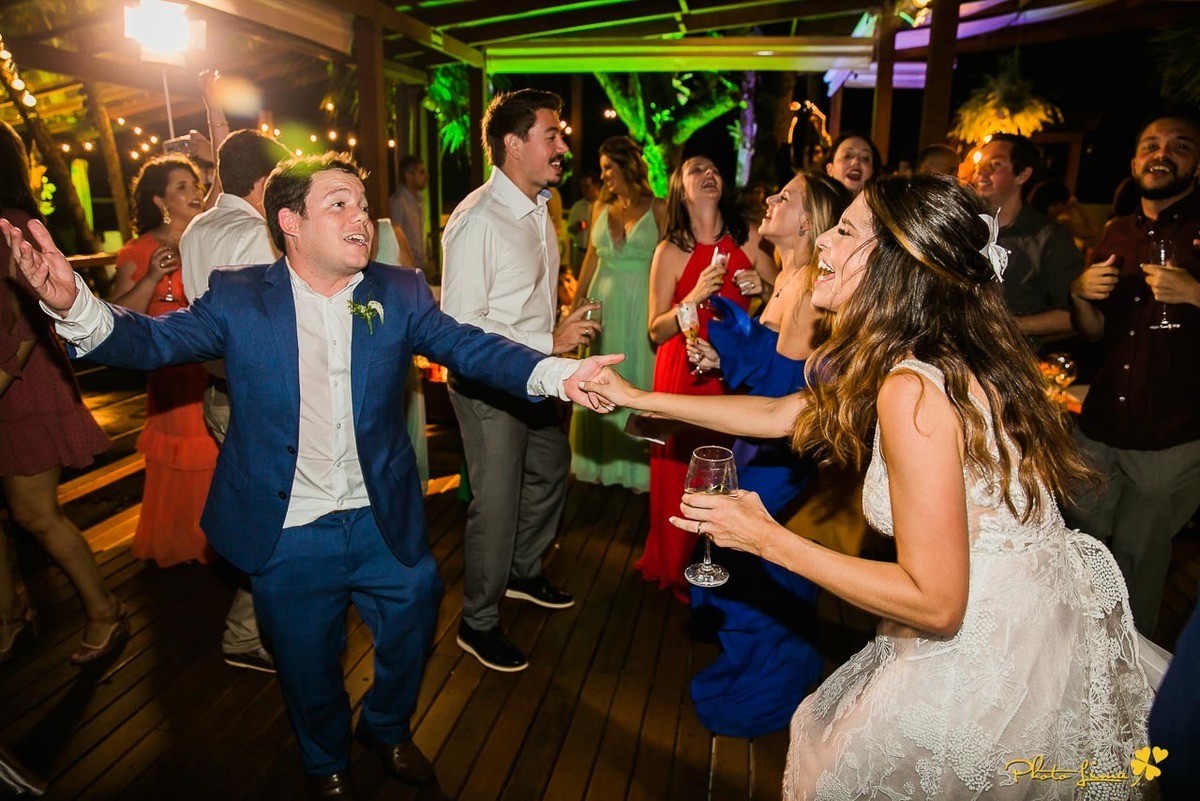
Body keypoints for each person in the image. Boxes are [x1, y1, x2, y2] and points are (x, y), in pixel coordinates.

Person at [4, 151, 619, 799]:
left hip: (382, 516)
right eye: (340, 204)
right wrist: (75, 303)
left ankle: (385, 726)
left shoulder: (398, 291)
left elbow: (470, 344)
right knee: (306, 662)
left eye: (362, 202)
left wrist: (558, 374)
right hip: (288, 525)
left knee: (414, 617)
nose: (362, 216)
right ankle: (325, 758)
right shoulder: (240, 296)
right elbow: (151, 343)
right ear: (289, 221)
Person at [581, 173, 1164, 798]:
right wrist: (639, 397)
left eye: (845, 230)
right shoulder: (927, 349)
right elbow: (782, 413)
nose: (824, 242)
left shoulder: (912, 389)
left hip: (991, 652)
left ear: (894, 265)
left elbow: (937, 604)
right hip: (1036, 615)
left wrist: (764, 538)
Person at [440, 88, 604, 673]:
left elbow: (518, 304)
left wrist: (556, 327)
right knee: (497, 501)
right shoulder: (478, 219)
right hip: (486, 385)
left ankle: (522, 571)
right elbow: (460, 325)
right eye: (551, 135)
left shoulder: (538, 209)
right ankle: (477, 622)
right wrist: (549, 343)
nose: (563, 146)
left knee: (552, 468)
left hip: (533, 377)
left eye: (562, 135)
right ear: (513, 145)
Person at [683, 170, 851, 738]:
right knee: (744, 558)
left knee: (750, 561)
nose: (771, 200)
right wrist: (723, 353)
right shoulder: (787, 277)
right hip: (758, 438)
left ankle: (769, 685)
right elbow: (767, 370)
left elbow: (787, 384)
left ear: (807, 221)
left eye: (785, 196)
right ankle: (763, 669)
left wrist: (733, 340)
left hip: (780, 448)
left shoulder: (808, 285)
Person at [1065, 111, 1200, 636]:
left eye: (1179, 146)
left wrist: (1195, 293)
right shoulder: (1117, 231)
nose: (1161, 154)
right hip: (1098, 427)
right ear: (1135, 161)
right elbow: (1094, 331)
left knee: (1139, 563)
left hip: (1171, 435)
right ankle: (1074, 658)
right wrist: (1079, 294)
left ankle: (1127, 688)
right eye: (1150, 145)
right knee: (1081, 549)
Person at [0, 120, 124, 668]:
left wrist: (2, 377)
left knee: (35, 514)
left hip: (19, 385)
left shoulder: (17, 225)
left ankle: (104, 610)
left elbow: (31, 317)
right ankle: (9, 615)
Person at [180, 128, 291, 674]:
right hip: (257, 399)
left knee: (263, 512)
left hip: (216, 391)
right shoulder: (259, 238)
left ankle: (259, 628)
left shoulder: (199, 226)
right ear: (267, 181)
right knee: (278, 515)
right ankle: (249, 634)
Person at [640, 154, 765, 603]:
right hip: (682, 369)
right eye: (696, 169)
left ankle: (722, 563)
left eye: (714, 168)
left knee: (728, 471)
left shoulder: (746, 240)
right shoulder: (669, 250)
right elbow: (655, 329)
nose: (708, 174)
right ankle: (677, 565)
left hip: (732, 374)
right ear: (679, 188)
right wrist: (691, 297)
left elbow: (787, 292)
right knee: (681, 470)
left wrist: (762, 288)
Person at [110, 155, 219, 569]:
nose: (193, 192)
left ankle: (216, 540)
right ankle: (181, 540)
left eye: (194, 184)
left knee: (215, 449)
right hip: (171, 372)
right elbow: (119, 316)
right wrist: (152, 277)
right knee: (181, 449)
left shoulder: (207, 241)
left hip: (209, 365)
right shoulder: (137, 250)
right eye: (182, 187)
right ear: (161, 201)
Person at [569, 136, 666, 493]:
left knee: (638, 376)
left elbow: (669, 260)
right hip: (604, 306)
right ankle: (597, 465)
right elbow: (589, 262)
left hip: (641, 304)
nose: (604, 174)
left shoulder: (659, 207)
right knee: (598, 378)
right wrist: (577, 308)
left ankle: (638, 471)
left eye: (609, 166)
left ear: (628, 165)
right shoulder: (599, 206)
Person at [971, 132, 1082, 345]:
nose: (981, 173)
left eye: (995, 164)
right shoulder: (961, 230)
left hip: (1014, 366)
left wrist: (1005, 326)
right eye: (980, 165)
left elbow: (1074, 316)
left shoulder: (1049, 239)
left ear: (1022, 175)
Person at [387, 155, 430, 281]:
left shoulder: (421, 200)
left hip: (420, 265)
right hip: (407, 268)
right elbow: (395, 239)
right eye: (421, 172)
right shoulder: (399, 202)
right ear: (409, 175)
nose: (425, 176)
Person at [565, 172, 600, 272]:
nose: (584, 190)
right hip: (580, 253)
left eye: (587, 187)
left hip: (598, 255)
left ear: (596, 186)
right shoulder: (578, 206)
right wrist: (577, 227)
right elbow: (569, 229)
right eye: (582, 187)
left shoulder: (605, 206)